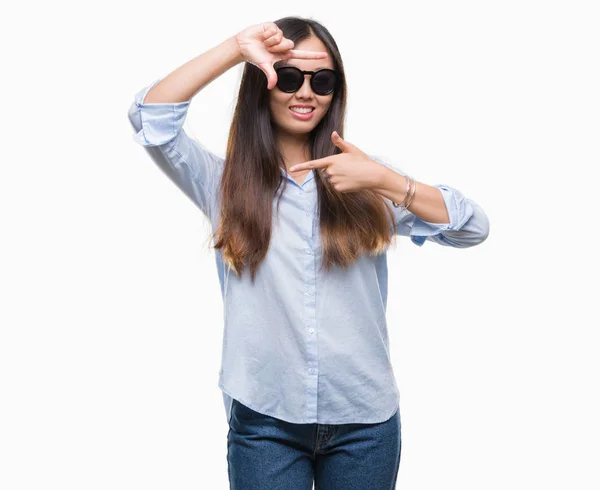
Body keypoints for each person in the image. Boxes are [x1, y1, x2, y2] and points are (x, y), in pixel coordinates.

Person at [127, 16, 489, 490]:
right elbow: (150, 118)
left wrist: (384, 180)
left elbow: (471, 228)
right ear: (263, 84)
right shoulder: (221, 184)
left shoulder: (364, 179)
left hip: (365, 423)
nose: (306, 92)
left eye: (322, 80)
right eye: (289, 76)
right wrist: (238, 48)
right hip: (266, 423)